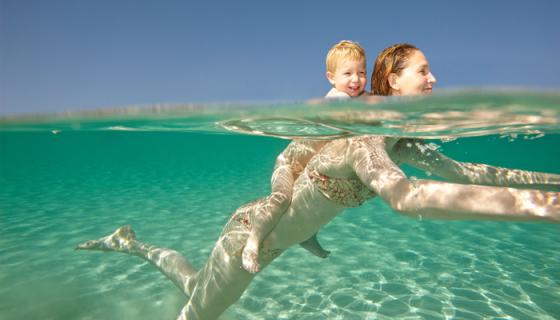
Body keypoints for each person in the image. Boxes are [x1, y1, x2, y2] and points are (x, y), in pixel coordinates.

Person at [76, 43, 560, 319]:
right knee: (195, 307)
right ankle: (134, 247)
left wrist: (550, 183)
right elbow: (406, 196)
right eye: (424, 71)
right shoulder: (362, 142)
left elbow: (469, 173)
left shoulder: (399, 142)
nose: (435, 80)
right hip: (249, 236)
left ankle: (130, 243)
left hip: (278, 239)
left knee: (191, 284)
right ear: (391, 83)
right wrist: (542, 207)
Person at [240, 40, 368, 273]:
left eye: (362, 72)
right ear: (331, 78)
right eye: (347, 73)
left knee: (313, 204)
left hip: (309, 167)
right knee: (281, 200)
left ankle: (307, 236)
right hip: (288, 164)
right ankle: (253, 242)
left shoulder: (357, 98)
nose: (356, 79)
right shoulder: (338, 99)